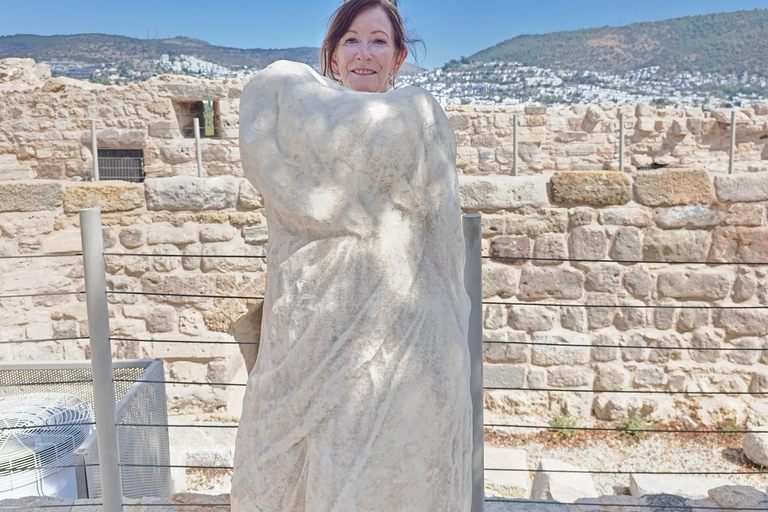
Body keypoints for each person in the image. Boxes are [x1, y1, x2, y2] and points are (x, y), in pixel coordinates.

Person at [232, 0, 472, 510]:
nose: (365, 52)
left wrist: (453, 317)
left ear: (399, 56)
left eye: (379, 40)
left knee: (394, 467)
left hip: (405, 324)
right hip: (311, 320)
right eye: (352, 40)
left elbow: (443, 226)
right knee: (291, 464)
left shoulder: (419, 113)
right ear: (333, 55)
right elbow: (273, 179)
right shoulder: (295, 109)